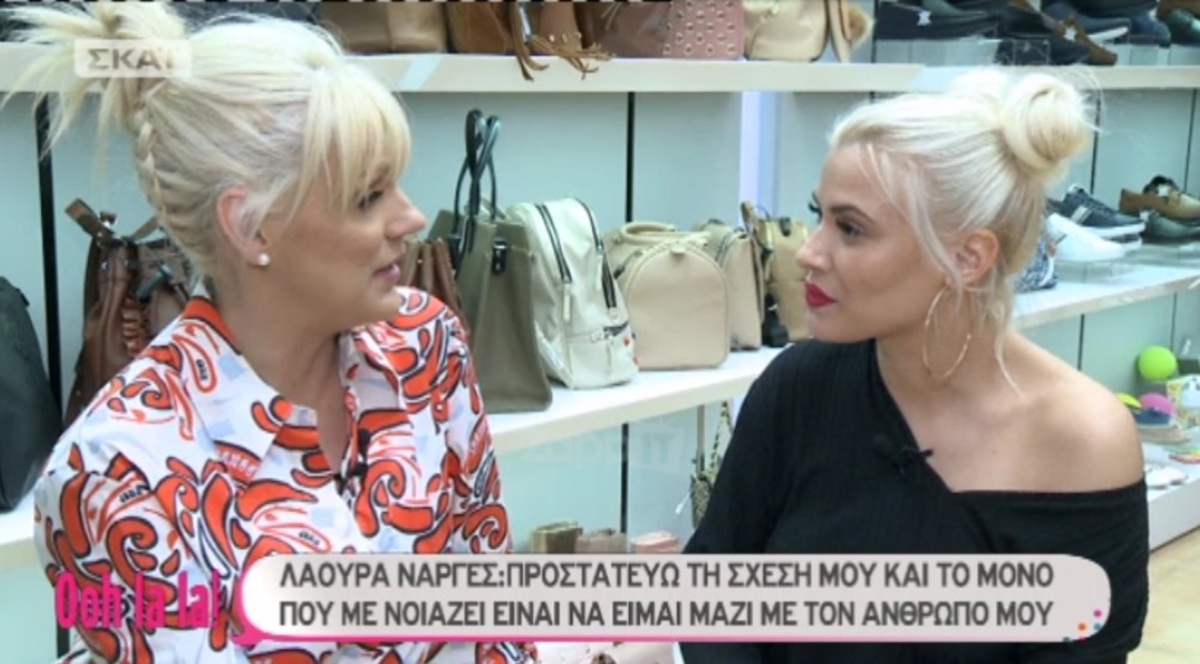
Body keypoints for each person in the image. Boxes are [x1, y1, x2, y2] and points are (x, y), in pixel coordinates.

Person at [6, 2, 535, 662]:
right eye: (368, 197)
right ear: (251, 226)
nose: (411, 217)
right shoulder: (113, 474)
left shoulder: (427, 343)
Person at [681, 69, 1149, 663]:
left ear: (968, 256)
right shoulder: (800, 385)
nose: (809, 253)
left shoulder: (1083, 438)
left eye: (851, 228)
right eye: (818, 215)